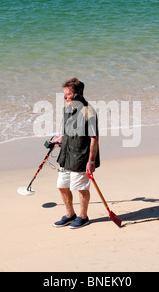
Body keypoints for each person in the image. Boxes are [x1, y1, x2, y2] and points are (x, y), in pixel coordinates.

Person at [51, 78, 100, 229]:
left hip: (81, 156)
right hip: (66, 154)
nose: (65, 97)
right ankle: (69, 214)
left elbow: (94, 138)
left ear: (78, 94)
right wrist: (59, 139)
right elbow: (66, 131)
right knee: (62, 186)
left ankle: (83, 217)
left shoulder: (88, 112)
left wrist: (91, 161)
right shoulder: (67, 108)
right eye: (64, 94)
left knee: (81, 188)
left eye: (68, 94)